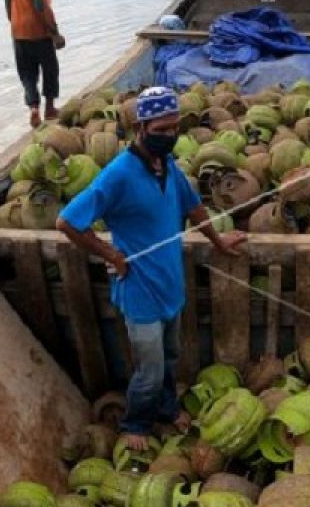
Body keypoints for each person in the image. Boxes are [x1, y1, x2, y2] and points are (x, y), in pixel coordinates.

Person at [56, 86, 247, 451]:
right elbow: (67, 222)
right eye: (161, 129)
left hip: (170, 286)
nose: (169, 136)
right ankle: (136, 424)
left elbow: (193, 207)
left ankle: (167, 407)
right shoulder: (119, 174)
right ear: (140, 127)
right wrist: (110, 255)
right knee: (150, 369)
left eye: (175, 128)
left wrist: (219, 242)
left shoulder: (169, 166)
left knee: (170, 357)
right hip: (140, 291)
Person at [6, 0, 65, 127]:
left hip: (18, 32)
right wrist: (54, 32)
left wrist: (14, 23)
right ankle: (49, 109)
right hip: (37, 30)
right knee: (50, 69)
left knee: (28, 74)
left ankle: (33, 109)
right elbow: (40, 3)